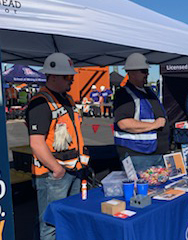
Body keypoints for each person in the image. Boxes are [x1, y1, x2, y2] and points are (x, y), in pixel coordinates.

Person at [26, 52, 89, 240]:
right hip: (54, 175)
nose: (71, 81)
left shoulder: (66, 99)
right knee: (50, 224)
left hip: (72, 170)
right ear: (53, 77)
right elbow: (36, 142)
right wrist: (56, 169)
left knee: (69, 218)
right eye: (67, 77)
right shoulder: (40, 102)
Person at [113, 53, 170, 171]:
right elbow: (124, 123)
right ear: (131, 73)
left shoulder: (148, 91)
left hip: (156, 152)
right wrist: (154, 125)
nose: (147, 74)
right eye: (144, 71)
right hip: (139, 154)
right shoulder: (124, 94)